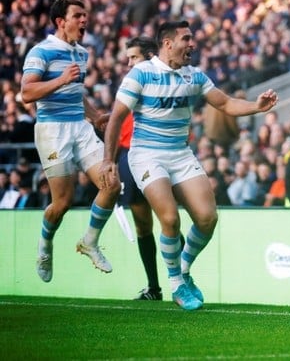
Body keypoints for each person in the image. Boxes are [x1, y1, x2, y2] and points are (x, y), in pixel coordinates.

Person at [99, 20, 278, 310]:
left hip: (180, 154)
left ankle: (182, 270)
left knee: (208, 218)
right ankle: (175, 285)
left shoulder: (193, 76)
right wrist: (108, 160)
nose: (192, 44)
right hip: (146, 154)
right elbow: (117, 116)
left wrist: (256, 107)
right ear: (168, 43)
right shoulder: (141, 73)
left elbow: (226, 103)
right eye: (186, 38)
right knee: (170, 219)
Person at [20, 0, 121, 283]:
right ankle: (45, 244)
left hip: (79, 127)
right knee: (62, 202)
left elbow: (76, 93)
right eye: (77, 15)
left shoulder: (82, 53)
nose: (83, 20)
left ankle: (88, 241)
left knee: (112, 183)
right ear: (60, 22)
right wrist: (60, 80)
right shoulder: (41, 52)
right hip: (53, 130)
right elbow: (27, 93)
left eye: (85, 15)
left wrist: (95, 115)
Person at [117, 35, 163, 300]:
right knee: (143, 226)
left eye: (133, 57)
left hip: (155, 154)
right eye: (128, 58)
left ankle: (182, 279)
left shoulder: (161, 80)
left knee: (168, 220)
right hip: (127, 156)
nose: (129, 63)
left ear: (148, 56)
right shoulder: (129, 82)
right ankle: (154, 288)